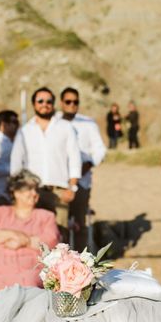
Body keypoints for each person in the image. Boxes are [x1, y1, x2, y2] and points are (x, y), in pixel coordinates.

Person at [10, 87, 81, 240]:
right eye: (40, 101)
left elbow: (75, 158)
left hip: (59, 191)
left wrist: (72, 187)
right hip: (32, 191)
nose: (45, 104)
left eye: (49, 101)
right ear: (34, 104)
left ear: (53, 104)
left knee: (60, 235)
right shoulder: (25, 130)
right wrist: (18, 191)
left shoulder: (65, 127)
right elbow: (16, 162)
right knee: (33, 233)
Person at [0, 170, 60, 292]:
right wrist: (15, 235)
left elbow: (51, 241)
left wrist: (24, 241)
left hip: (30, 270)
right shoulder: (0, 212)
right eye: (29, 189)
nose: (34, 193)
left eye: (36, 190)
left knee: (29, 282)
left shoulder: (46, 216)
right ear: (16, 192)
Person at [58, 87, 107, 251]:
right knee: (60, 226)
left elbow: (100, 150)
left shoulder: (88, 123)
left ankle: (80, 265)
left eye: (75, 102)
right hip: (58, 182)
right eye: (68, 101)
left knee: (79, 224)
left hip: (82, 182)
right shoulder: (53, 122)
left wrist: (87, 165)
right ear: (61, 103)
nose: (72, 105)